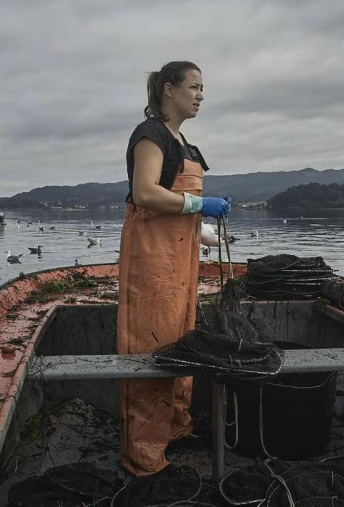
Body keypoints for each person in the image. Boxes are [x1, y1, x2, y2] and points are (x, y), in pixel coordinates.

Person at [117, 60, 231, 477]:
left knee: (182, 340)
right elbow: (145, 193)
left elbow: (178, 207)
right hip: (152, 259)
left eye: (203, 89)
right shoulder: (152, 134)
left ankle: (175, 431)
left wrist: (203, 228)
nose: (201, 95)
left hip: (182, 259)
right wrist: (201, 204)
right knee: (152, 346)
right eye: (194, 87)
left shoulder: (185, 144)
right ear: (168, 89)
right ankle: (144, 456)